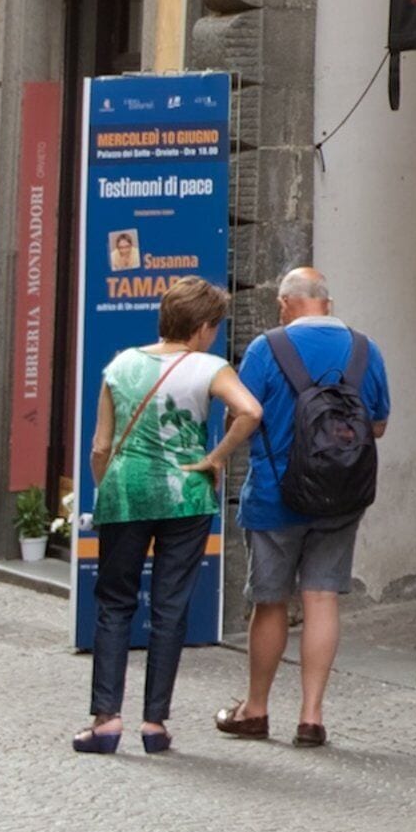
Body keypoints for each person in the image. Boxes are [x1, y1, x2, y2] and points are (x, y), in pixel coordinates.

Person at [76, 279, 260, 756]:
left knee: (115, 603)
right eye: (213, 327)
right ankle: (154, 723)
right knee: (170, 607)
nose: (213, 335)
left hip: (127, 493)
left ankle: (105, 720)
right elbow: (249, 412)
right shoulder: (209, 367)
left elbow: (100, 446)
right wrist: (216, 458)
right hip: (186, 496)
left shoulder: (121, 364)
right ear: (201, 327)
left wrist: (109, 488)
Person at [215, 267, 386, 748]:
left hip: (275, 495)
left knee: (270, 602)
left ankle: (256, 710)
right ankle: (311, 718)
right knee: (321, 598)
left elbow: (241, 415)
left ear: (285, 303)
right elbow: (377, 425)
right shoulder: (364, 349)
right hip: (341, 496)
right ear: (326, 304)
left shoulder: (267, 348)